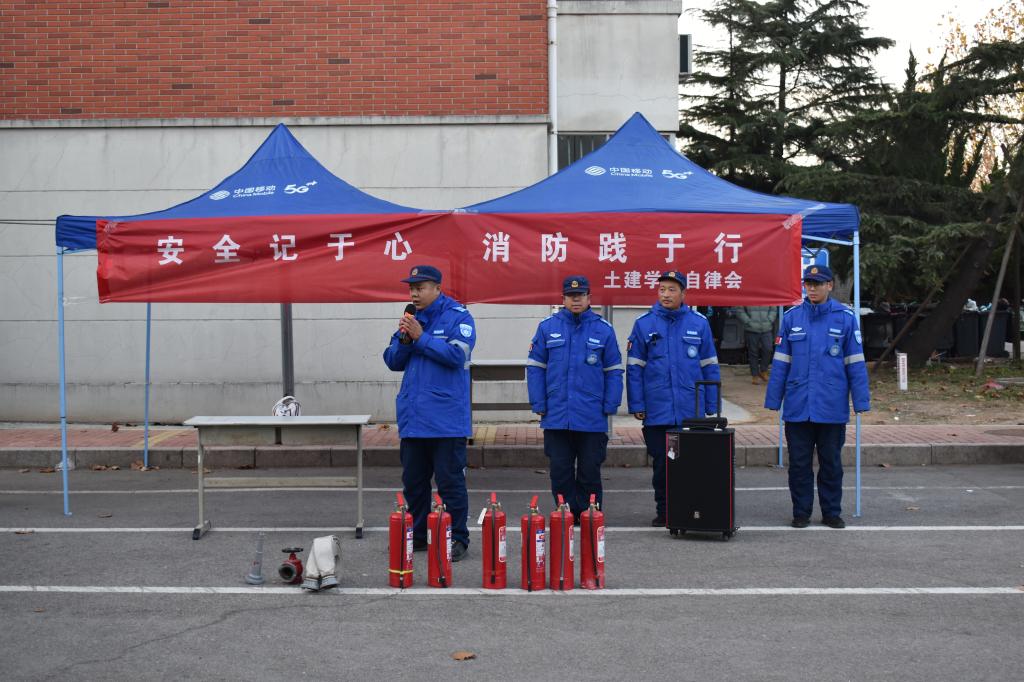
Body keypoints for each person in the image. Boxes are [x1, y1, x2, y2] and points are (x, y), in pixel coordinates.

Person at [764, 264, 871, 529]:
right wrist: (773, 398)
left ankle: (831, 512)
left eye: (818, 284)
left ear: (829, 286)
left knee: (831, 463)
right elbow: (781, 362)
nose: (812, 289)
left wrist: (861, 400)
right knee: (799, 464)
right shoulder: (792, 318)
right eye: (808, 284)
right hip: (798, 405)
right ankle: (801, 512)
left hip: (831, 405)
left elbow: (855, 363)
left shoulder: (845, 318)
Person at [383, 264, 474, 561]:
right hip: (414, 418)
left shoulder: (458, 316)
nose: (414, 293)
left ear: (437, 288)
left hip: (446, 420)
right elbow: (392, 360)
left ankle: (457, 537)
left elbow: (457, 355)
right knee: (414, 483)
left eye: (420, 288)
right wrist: (406, 341)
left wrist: (421, 338)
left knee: (450, 482)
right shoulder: (411, 318)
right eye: (412, 288)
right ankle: (418, 535)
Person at [626, 271, 720, 526]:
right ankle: (665, 511)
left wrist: (711, 404)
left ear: (683, 293)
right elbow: (634, 368)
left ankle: (689, 509)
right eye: (662, 289)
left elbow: (710, 366)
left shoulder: (699, 323)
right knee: (663, 463)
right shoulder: (644, 324)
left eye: (671, 290)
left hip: (691, 409)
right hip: (658, 410)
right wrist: (637, 404)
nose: (666, 294)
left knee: (690, 464)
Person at [526, 275, 623, 518]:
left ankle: (590, 514)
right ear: (563, 299)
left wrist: (610, 404)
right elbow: (535, 368)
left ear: (589, 298)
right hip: (557, 414)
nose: (575, 300)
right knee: (560, 469)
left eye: (580, 295)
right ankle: (565, 514)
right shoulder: (547, 327)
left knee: (590, 469)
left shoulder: (603, 329)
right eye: (571, 296)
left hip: (592, 414)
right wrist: (539, 402)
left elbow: (613, 371)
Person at [735, 305, 778, 383]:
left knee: (768, 349)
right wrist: (748, 321)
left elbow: (773, 308)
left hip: (766, 328)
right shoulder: (745, 296)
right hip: (751, 329)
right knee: (753, 352)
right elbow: (739, 309)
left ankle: (763, 370)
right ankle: (754, 375)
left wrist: (770, 320)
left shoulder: (768, 296)